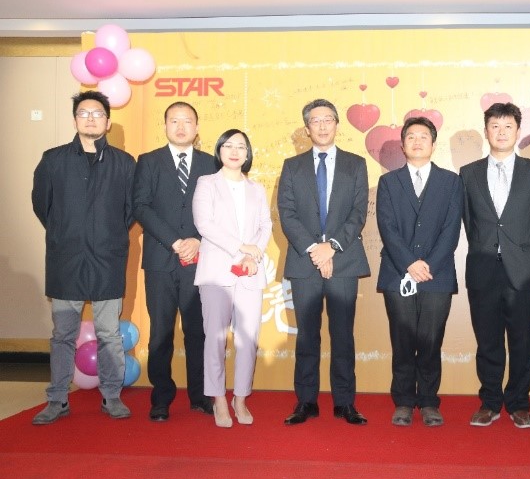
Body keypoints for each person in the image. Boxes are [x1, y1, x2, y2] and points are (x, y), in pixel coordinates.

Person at [31, 90, 135, 424]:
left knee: (109, 334)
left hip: (108, 258)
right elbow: (42, 205)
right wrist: (65, 232)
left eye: (97, 114)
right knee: (63, 335)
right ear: (75, 119)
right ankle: (58, 399)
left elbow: (130, 210)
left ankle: (111, 396)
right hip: (66, 259)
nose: (91, 119)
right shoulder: (53, 160)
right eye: (84, 113)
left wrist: (107, 235)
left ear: (108, 121)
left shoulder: (124, 163)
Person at [278, 98, 370, 426]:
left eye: (328, 119)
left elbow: (358, 212)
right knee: (307, 335)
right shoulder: (292, 166)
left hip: (343, 259)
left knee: (343, 334)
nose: (322, 125)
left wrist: (331, 247)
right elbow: (287, 213)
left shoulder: (355, 164)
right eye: (315, 121)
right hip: (305, 262)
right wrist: (314, 250)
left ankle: (345, 402)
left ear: (336, 124)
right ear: (307, 128)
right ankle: (306, 401)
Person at [460, 102, 530, 428]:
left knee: (522, 342)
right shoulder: (468, 173)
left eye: (508, 126)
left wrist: (524, 256)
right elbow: (469, 221)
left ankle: (519, 404)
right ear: (486, 131)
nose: (501, 132)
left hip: (522, 271)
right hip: (483, 268)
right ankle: (489, 402)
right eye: (495, 126)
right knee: (487, 342)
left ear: (518, 131)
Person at [376, 117, 463, 427]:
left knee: (430, 340)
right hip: (397, 272)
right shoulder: (388, 182)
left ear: (433, 144)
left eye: (423, 136)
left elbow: (452, 229)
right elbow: (386, 226)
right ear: (402, 145)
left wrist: (429, 265)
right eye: (410, 136)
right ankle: (403, 401)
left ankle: (428, 401)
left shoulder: (451, 182)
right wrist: (409, 263)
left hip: (437, 276)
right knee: (402, 341)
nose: (417, 141)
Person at [133, 102, 217, 422]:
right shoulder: (149, 161)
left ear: (197, 127)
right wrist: (175, 241)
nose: (181, 127)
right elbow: (141, 207)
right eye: (174, 121)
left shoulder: (211, 163)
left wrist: (197, 240)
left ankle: (200, 396)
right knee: (160, 333)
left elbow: (219, 210)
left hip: (200, 260)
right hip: (161, 260)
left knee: (198, 331)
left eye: (187, 121)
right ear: (165, 125)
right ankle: (161, 398)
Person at [193, 129, 272, 428]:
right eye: (228, 145)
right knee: (215, 338)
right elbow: (204, 224)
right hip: (217, 272)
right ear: (219, 150)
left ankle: (240, 398)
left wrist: (253, 255)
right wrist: (241, 248)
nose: (235, 151)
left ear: (248, 154)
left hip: (250, 272)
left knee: (248, 340)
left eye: (241, 146)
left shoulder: (257, 189)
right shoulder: (207, 183)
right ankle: (218, 399)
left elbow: (265, 226)